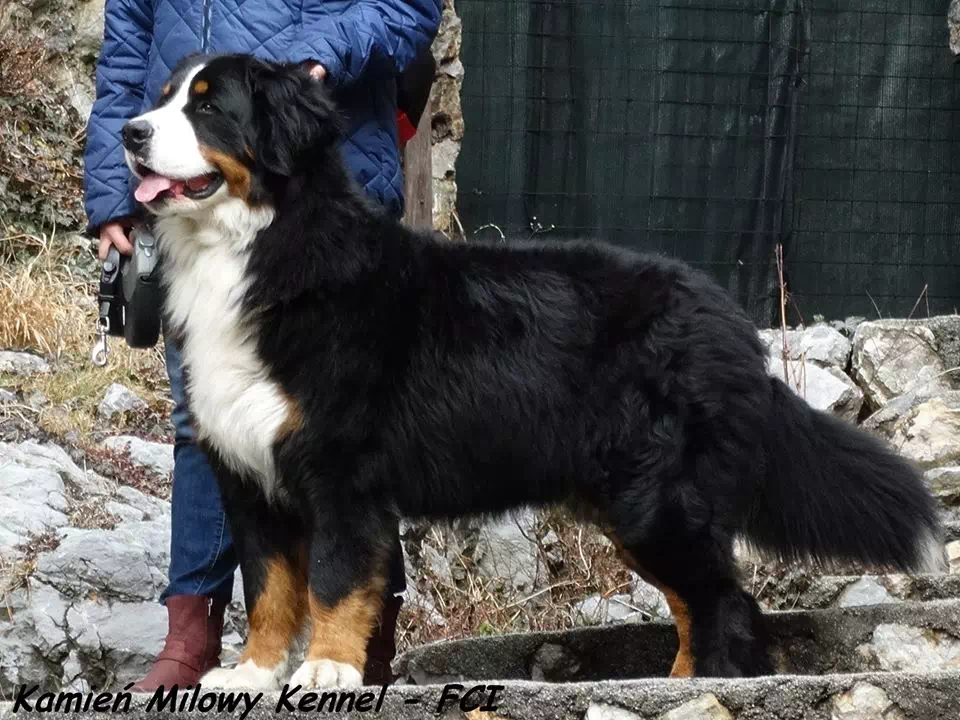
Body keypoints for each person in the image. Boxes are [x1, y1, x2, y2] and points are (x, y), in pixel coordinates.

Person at [83, 0, 442, 690]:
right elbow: (125, 53)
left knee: (347, 437)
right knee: (202, 425)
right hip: (195, 197)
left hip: (316, 186)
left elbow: (407, 8)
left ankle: (359, 641)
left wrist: (313, 56)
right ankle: (198, 633)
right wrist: (111, 190)